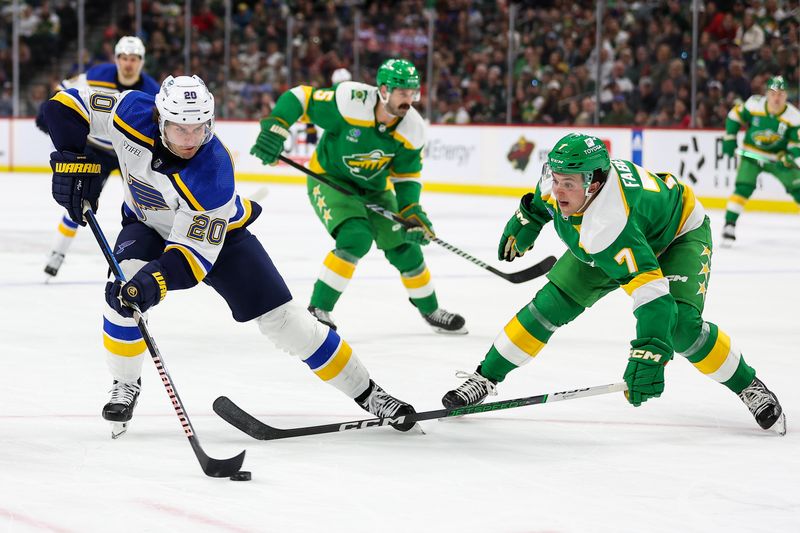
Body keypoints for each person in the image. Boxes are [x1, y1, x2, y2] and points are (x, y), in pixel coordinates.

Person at [40, 74, 416, 438]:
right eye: (180, 129)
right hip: (145, 226)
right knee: (121, 294)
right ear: (160, 119)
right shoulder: (131, 111)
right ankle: (125, 384)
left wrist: (154, 283)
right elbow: (64, 106)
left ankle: (369, 392)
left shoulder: (214, 172)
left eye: (199, 128)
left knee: (285, 322)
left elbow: (190, 259)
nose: (191, 139)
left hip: (221, 241)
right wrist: (72, 157)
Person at [441, 133, 786, 436]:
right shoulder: (567, 183)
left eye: (568, 184)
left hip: (678, 235)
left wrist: (649, 351)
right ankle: (484, 378)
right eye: (555, 178)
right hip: (625, 234)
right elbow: (544, 200)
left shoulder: (608, 223)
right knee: (548, 306)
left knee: (680, 328)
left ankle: (748, 386)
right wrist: (529, 217)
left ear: (593, 184)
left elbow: (652, 295)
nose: (557, 188)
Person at [250, 58, 467, 334]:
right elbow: (300, 97)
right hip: (330, 179)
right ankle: (319, 308)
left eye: (413, 93)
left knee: (404, 245)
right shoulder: (350, 102)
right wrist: (276, 126)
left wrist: (412, 210)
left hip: (375, 188)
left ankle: (431, 309)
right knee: (355, 237)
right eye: (403, 92)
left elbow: (406, 177)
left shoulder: (413, 128)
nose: (409, 100)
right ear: (384, 90)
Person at [39, 36, 161, 278]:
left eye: (134, 59)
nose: (128, 64)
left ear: (141, 62)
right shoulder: (96, 75)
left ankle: (142, 256)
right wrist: (48, 115)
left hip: (131, 152)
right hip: (96, 151)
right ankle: (57, 252)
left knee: (145, 205)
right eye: (124, 58)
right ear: (116, 59)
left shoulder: (152, 90)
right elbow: (64, 91)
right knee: (77, 199)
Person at [721, 75, 800, 246]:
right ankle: (729, 225)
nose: (776, 98)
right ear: (766, 94)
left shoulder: (794, 117)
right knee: (743, 187)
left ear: (786, 95)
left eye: (780, 94)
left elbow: (796, 144)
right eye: (773, 94)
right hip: (752, 154)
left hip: (777, 158)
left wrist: (789, 156)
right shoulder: (754, 104)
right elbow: (734, 116)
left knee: (798, 188)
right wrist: (729, 138)